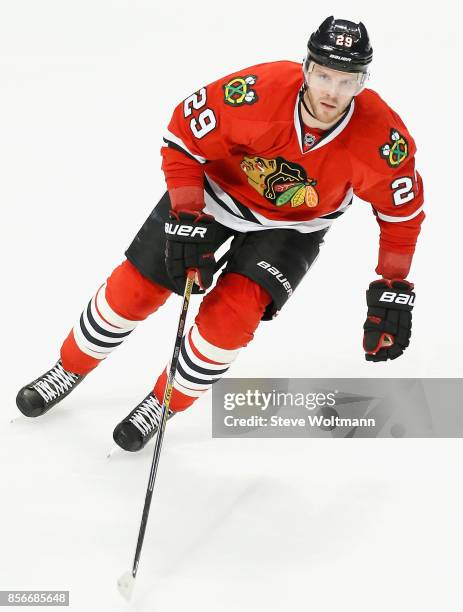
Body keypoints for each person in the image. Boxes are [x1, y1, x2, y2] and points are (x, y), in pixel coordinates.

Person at [16, 16, 424, 452]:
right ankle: (69, 367)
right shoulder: (254, 92)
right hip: (214, 198)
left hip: (294, 226)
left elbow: (402, 215)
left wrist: (391, 286)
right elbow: (182, 137)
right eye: (323, 74)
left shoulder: (384, 139)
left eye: (347, 81)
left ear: (363, 81)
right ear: (305, 66)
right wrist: (187, 213)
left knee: (233, 318)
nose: (331, 92)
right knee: (134, 290)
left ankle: (163, 400)